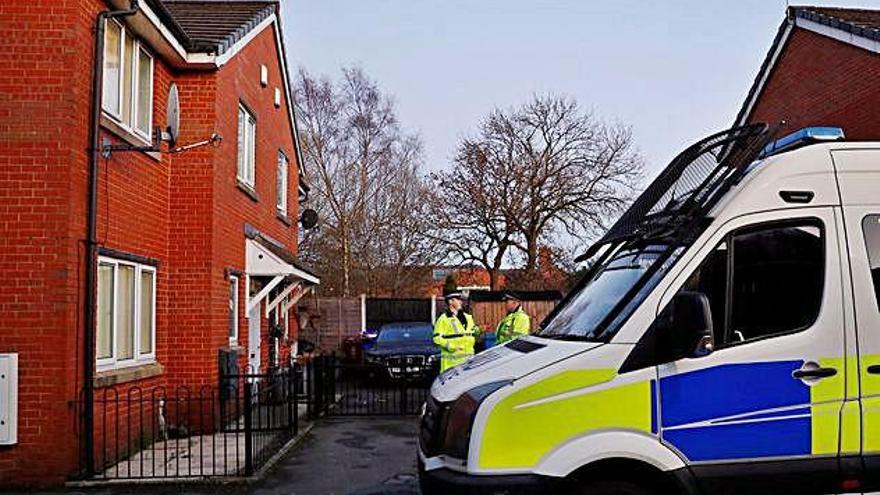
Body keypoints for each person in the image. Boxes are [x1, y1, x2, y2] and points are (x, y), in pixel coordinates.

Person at [433, 288, 478, 372]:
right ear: (450, 301)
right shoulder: (443, 319)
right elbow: (437, 338)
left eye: (461, 300)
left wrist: (478, 330)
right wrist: (451, 347)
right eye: (458, 299)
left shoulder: (468, 317)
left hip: (468, 362)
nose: (461, 302)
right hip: (451, 364)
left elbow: (471, 332)